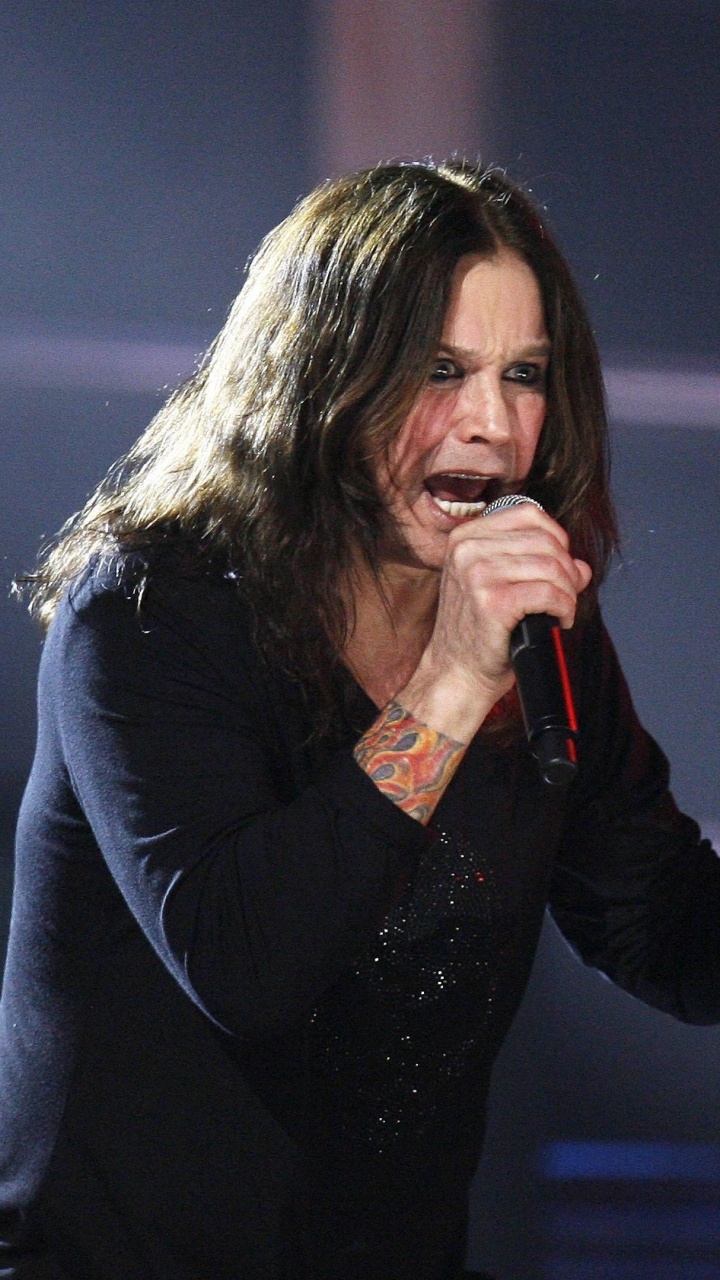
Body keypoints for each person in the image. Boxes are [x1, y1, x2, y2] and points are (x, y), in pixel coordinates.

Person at [1, 160, 719, 1280]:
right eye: (441, 370)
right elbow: (244, 965)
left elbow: (661, 924)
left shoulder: (541, 634)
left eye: (524, 375)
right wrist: (453, 677)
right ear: (324, 373)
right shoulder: (149, 610)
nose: (492, 425)